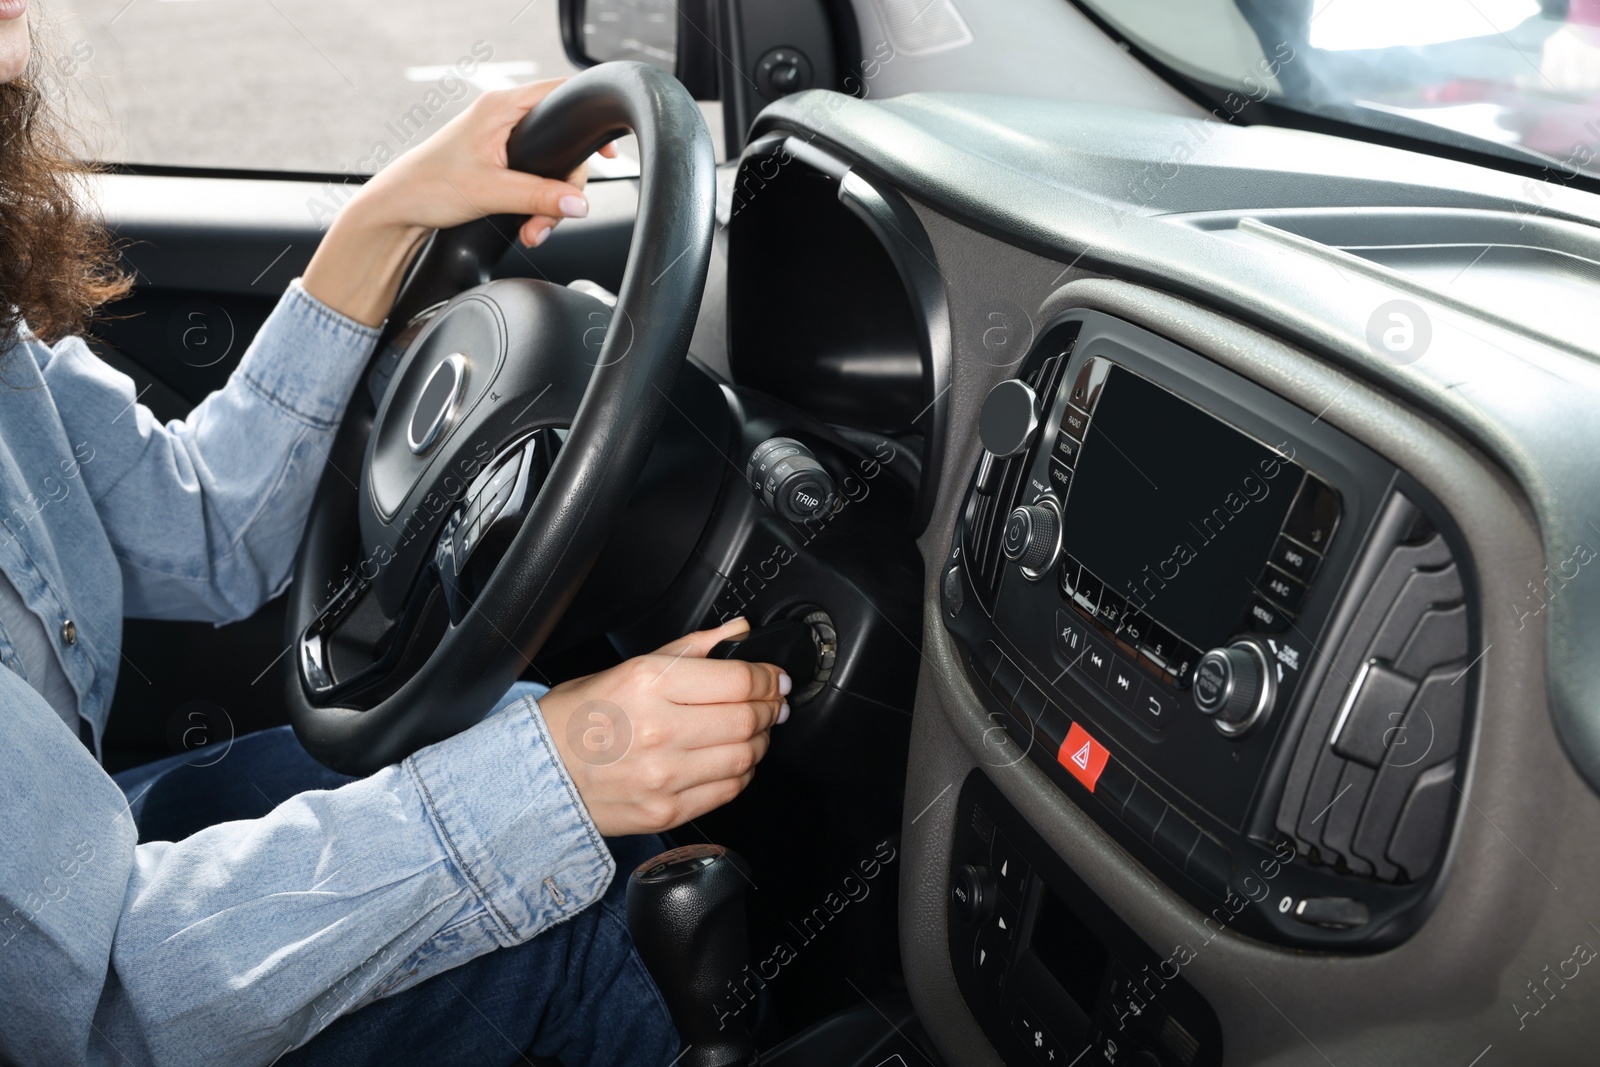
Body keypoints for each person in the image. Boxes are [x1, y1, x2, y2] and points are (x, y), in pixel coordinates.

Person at [0, 6, 787, 1066]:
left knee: (515, 738)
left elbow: (200, 526)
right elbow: (105, 1005)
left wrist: (388, 216)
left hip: (82, 867)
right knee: (571, 916)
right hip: (92, 989)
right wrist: (556, 776)